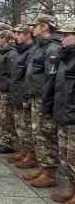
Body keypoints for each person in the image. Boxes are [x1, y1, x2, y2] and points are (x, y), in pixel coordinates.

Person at [21, 14, 62, 188]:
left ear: (44, 26)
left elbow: (50, 78)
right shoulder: (39, 47)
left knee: (47, 135)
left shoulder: (52, 48)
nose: (32, 28)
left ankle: (50, 173)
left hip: (44, 98)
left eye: (35, 25)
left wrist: (46, 102)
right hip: (35, 95)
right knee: (38, 134)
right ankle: (43, 167)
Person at [46, 22, 75, 203]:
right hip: (64, 111)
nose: (61, 38)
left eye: (66, 35)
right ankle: (72, 189)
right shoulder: (66, 57)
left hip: (73, 114)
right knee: (66, 155)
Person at [6, 25, 38, 168]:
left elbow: (29, 77)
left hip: (24, 94)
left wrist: (26, 96)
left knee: (26, 126)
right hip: (17, 93)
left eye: (18, 33)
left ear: (27, 34)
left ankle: (31, 156)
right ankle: (24, 152)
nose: (16, 36)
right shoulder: (21, 51)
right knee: (20, 125)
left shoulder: (31, 51)